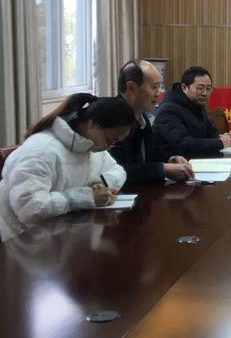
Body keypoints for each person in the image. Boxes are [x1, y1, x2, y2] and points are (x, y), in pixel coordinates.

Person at [0, 94, 133, 241]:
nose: (109, 147)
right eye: (109, 140)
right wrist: (85, 197)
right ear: (93, 124)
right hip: (25, 242)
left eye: (114, 143)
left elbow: (117, 171)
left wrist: (100, 184)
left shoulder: (90, 145)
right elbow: (29, 207)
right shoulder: (41, 151)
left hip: (69, 236)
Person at [110, 60, 193, 185]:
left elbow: (150, 155)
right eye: (154, 87)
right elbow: (117, 171)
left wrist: (170, 159)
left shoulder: (141, 116)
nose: (159, 93)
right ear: (131, 88)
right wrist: (162, 169)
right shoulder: (113, 120)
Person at [153, 66, 231, 159]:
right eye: (200, 88)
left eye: (208, 88)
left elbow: (209, 132)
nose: (205, 93)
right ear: (184, 88)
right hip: (175, 164)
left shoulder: (196, 103)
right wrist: (220, 143)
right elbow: (183, 144)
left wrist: (222, 137)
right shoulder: (168, 110)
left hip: (196, 160)